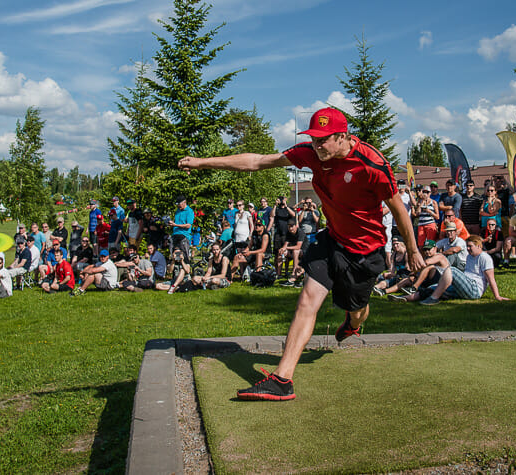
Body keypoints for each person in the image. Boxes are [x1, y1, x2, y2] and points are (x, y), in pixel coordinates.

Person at [178, 107, 421, 401]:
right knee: (307, 299)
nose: (317, 146)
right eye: (314, 139)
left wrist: (412, 249)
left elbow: (399, 209)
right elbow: (258, 161)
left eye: (324, 140)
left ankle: (353, 324)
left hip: (364, 252)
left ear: (342, 136)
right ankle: (282, 380)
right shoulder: (310, 153)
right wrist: (204, 162)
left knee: (356, 309)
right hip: (331, 239)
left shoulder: (372, 164)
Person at [416, 235, 509, 305]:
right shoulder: (469, 257)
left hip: (474, 289)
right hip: (465, 285)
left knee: (451, 270)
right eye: (467, 246)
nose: (467, 249)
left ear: (479, 246)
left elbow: (490, 279)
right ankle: (406, 298)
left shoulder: (485, 258)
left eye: (470, 246)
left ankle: (434, 298)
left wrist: (497, 296)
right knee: (433, 287)